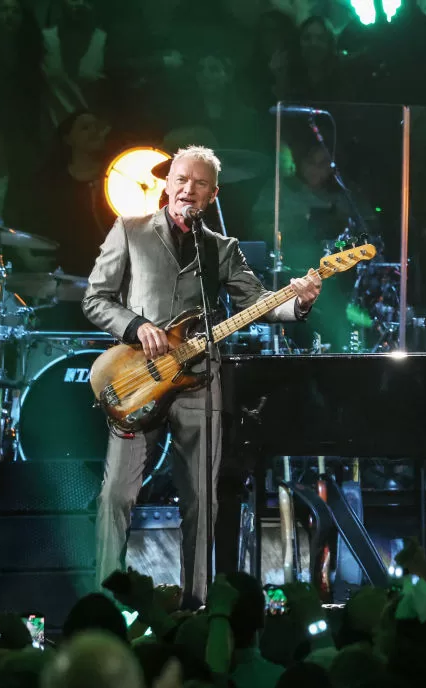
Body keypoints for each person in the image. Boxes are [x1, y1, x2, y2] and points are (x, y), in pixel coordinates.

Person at [83, 145, 322, 604]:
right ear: (166, 183)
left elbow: (258, 303)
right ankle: (105, 603)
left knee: (202, 501)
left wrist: (301, 299)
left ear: (213, 194)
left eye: (198, 183)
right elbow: (95, 299)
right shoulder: (130, 230)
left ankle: (196, 605)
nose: (186, 190)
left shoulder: (221, 248)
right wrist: (137, 326)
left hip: (200, 382)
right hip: (140, 377)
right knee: (115, 495)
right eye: (180, 179)